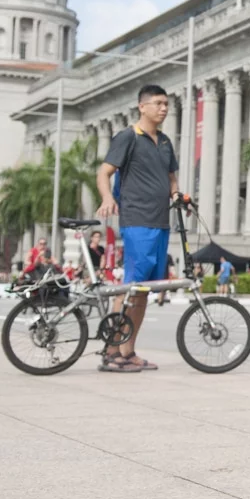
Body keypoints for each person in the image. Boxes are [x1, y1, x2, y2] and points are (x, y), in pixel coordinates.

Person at [96, 84, 179, 373]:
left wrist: (178, 194)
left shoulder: (165, 142)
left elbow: (170, 179)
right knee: (130, 286)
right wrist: (108, 197)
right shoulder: (128, 137)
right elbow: (104, 172)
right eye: (158, 103)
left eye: (166, 103)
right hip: (137, 221)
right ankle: (111, 351)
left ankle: (128, 351)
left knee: (143, 290)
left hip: (160, 222)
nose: (163, 108)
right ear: (142, 106)